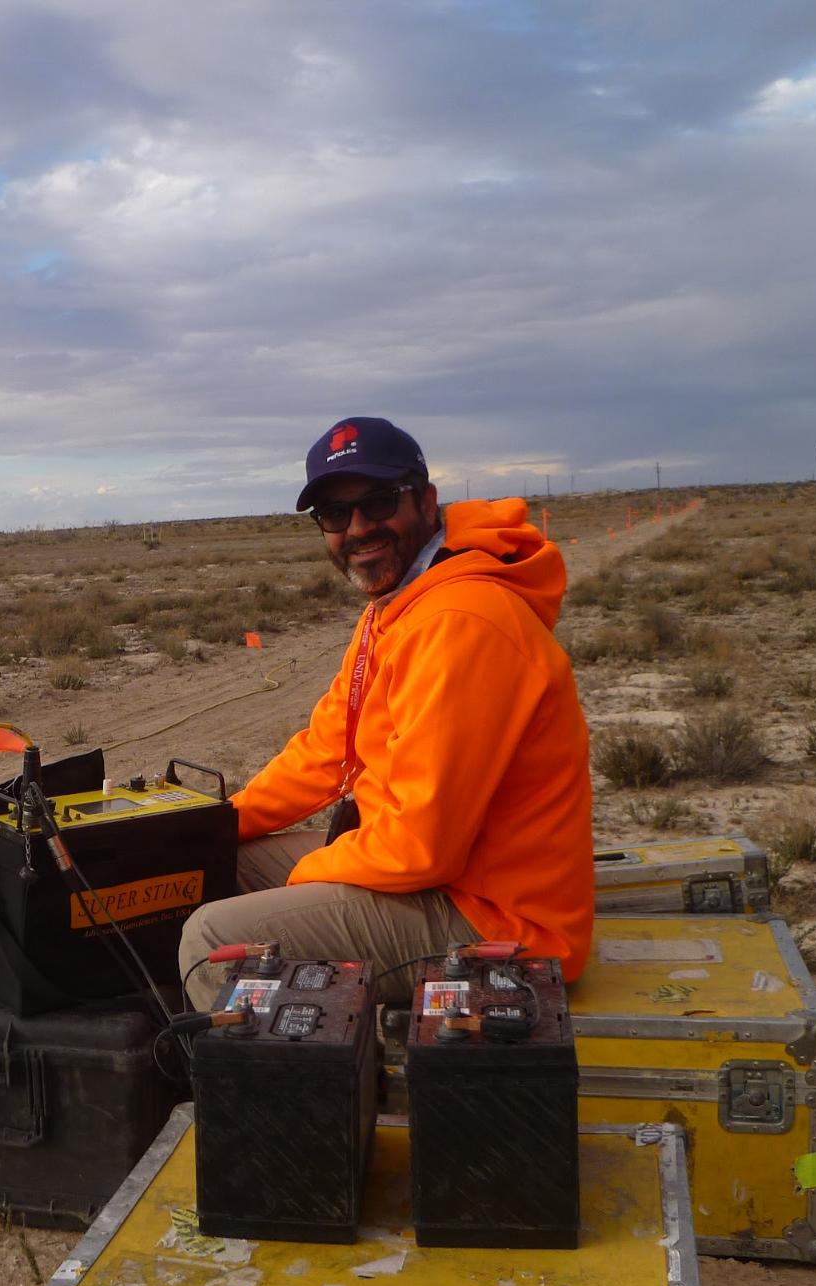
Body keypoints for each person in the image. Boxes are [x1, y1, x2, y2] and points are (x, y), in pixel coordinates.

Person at [177, 416, 594, 1010]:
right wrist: (213, 827)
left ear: (425, 501)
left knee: (210, 939)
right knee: (217, 864)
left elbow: (424, 847)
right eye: (335, 515)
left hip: (494, 917)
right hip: (434, 875)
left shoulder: (460, 623)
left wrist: (315, 872)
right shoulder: (399, 604)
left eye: (377, 503)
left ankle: (283, 1095)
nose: (358, 529)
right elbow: (328, 750)